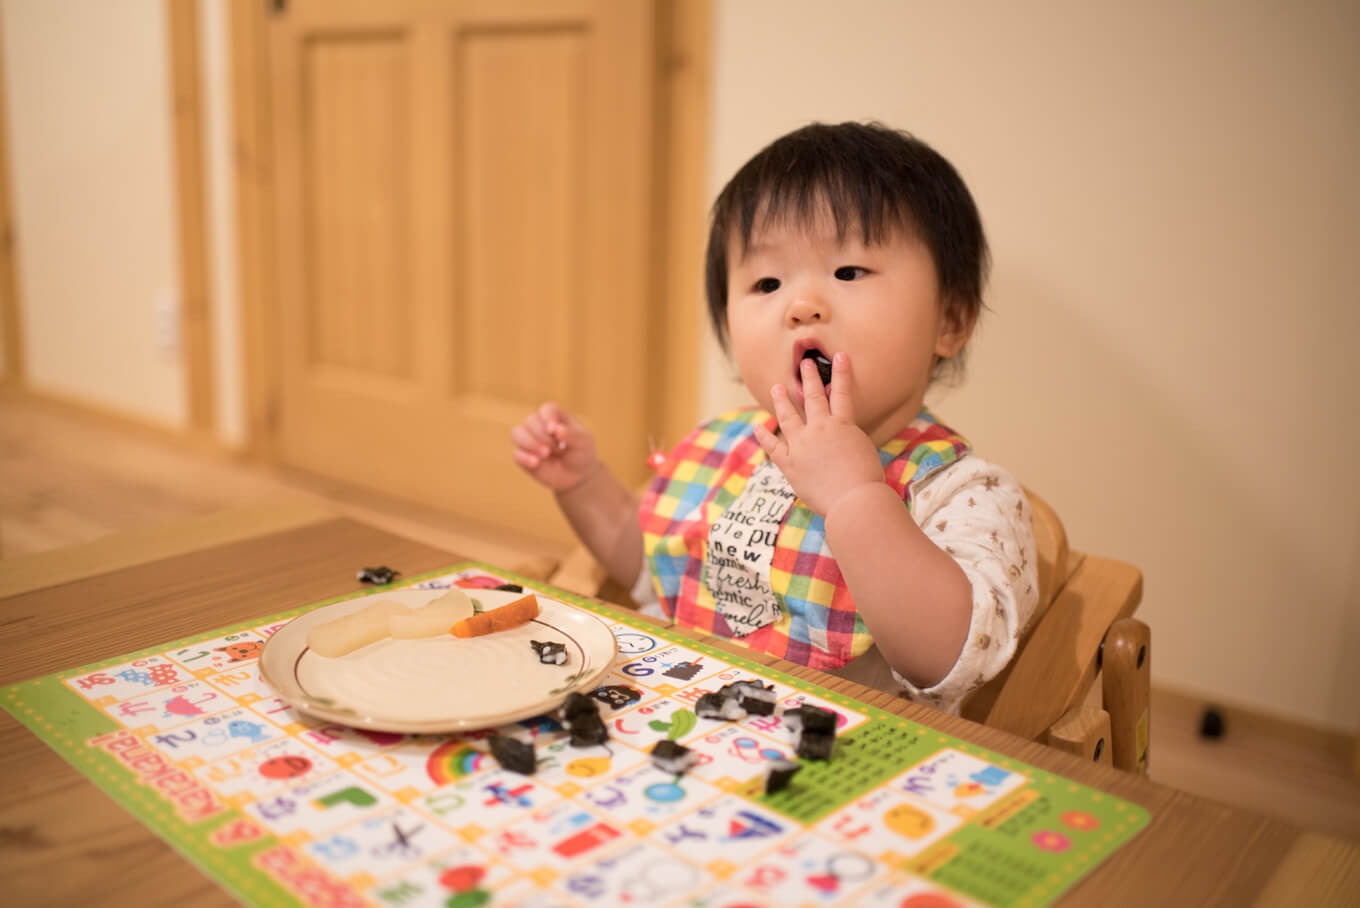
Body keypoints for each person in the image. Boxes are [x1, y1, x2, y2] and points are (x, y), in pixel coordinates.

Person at [511, 122, 1037, 713]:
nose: (801, 305)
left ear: (949, 320)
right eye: (766, 282)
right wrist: (585, 486)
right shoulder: (730, 448)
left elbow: (947, 659)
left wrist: (855, 499)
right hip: (684, 726)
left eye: (848, 272)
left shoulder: (963, 492)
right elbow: (652, 567)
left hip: (849, 761)